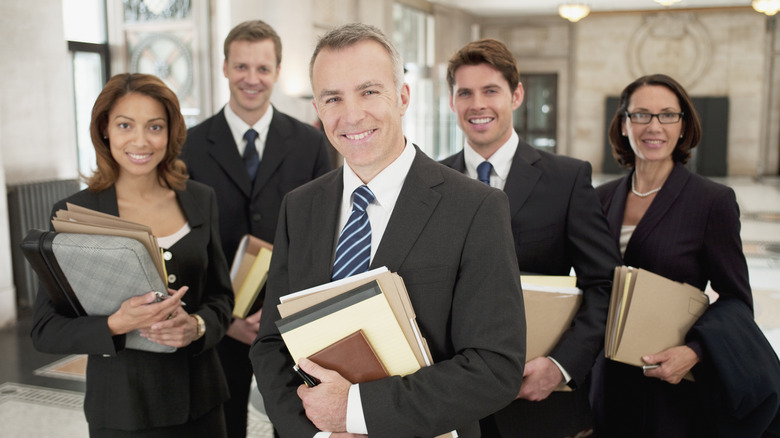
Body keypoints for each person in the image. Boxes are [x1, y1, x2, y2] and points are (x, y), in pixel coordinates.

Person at [250, 23, 526, 438]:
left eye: (369, 91)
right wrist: (320, 432)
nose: (352, 114)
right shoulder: (300, 207)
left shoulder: (476, 207)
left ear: (402, 97)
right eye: (332, 98)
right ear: (318, 109)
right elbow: (272, 343)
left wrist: (356, 412)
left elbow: (495, 367)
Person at [30, 73, 234, 437]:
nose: (141, 141)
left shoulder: (201, 199)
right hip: (123, 412)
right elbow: (46, 330)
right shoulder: (73, 214)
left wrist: (198, 326)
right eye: (126, 125)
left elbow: (221, 298)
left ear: (171, 132)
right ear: (105, 129)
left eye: (155, 126)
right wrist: (115, 324)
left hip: (202, 405)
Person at [440, 38, 622, 437]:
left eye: (491, 91)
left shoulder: (567, 179)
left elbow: (604, 285)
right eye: (464, 93)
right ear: (452, 102)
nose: (477, 104)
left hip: (539, 401)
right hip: (452, 404)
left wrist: (560, 366)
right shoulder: (432, 183)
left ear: (516, 95)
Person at [594, 73, 780, 437]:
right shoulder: (599, 198)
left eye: (667, 115)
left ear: (683, 126)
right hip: (607, 378)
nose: (654, 126)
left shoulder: (712, 201)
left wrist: (695, 351)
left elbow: (736, 299)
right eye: (641, 115)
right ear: (623, 124)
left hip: (671, 381)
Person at [180, 20, 332, 438]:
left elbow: (324, 237)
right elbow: (181, 245)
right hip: (216, 324)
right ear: (225, 68)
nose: (252, 79)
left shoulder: (311, 144)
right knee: (221, 429)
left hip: (291, 324)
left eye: (263, 68)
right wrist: (222, 317)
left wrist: (287, 314)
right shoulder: (188, 146)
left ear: (278, 72)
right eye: (242, 67)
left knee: (297, 428)